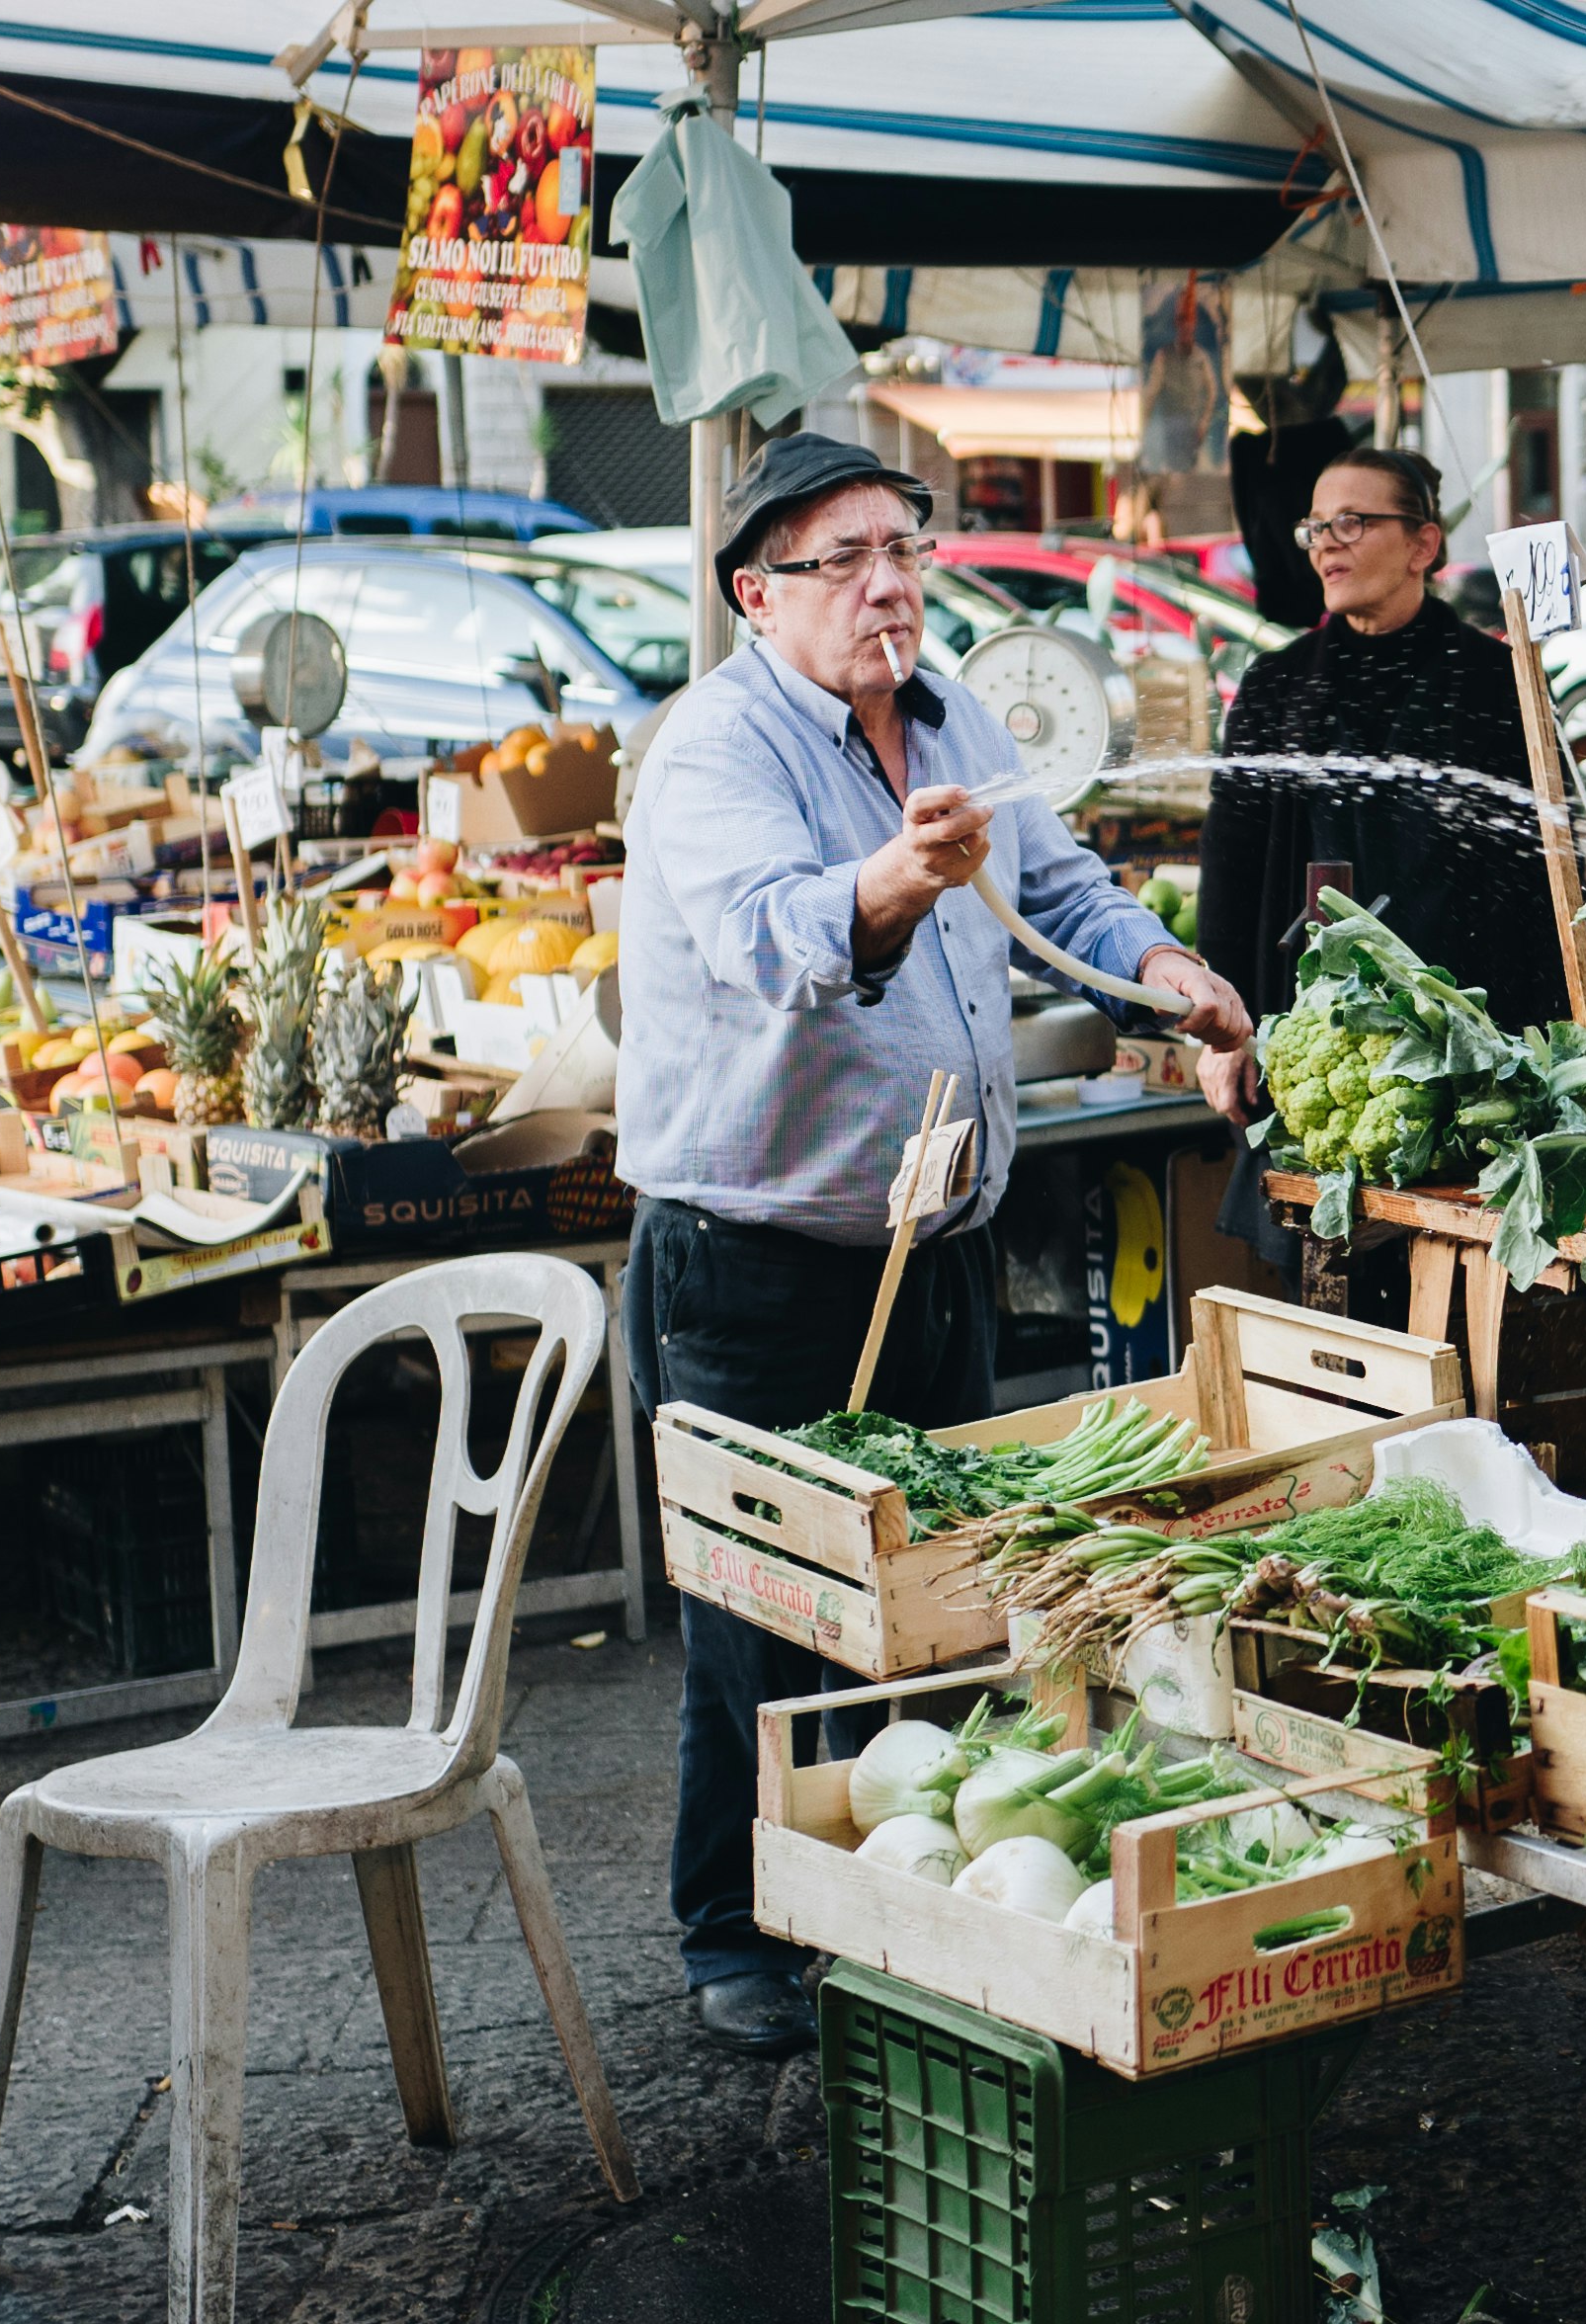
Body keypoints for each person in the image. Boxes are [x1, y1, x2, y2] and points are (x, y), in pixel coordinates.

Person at [616, 434, 1250, 2058]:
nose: (891, 581)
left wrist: (1172, 980)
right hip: (761, 1257)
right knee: (767, 1612)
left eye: (904, 544)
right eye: (846, 557)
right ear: (759, 591)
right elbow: (771, 942)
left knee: (942, 1591)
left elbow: (1064, 891)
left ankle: (904, 1903)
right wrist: (892, 881)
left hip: (936, 1240)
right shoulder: (714, 746)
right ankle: (735, 1933)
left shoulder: (955, 711)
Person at [1194, 447, 1565, 1136]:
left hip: (1474, 1056)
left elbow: (1547, 878)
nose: (1325, 544)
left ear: (1422, 544)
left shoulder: (1499, 682)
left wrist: (1557, 1046)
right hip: (1314, 1049)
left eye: (1352, 523)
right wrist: (1225, 1031)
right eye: (1315, 528)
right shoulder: (1276, 688)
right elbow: (1231, 871)